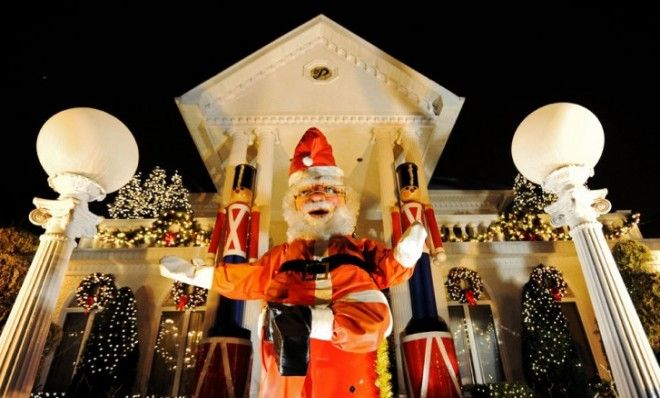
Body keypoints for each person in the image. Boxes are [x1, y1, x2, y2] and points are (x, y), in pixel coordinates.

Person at [160, 127, 427, 398]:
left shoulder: (357, 248)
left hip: (347, 362)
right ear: (294, 204)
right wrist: (200, 274)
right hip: (289, 362)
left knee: (374, 317)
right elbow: (251, 277)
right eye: (306, 191)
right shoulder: (284, 254)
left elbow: (389, 268)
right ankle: (304, 322)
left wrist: (405, 254)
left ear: (344, 200)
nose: (317, 196)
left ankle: (311, 321)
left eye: (328, 189)